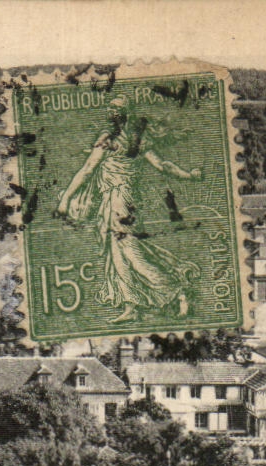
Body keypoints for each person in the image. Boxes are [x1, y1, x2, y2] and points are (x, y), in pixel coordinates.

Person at [56, 96, 203, 324]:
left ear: (124, 112)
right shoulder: (135, 139)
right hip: (118, 200)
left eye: (115, 107)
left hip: (119, 201)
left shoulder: (112, 139)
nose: (109, 110)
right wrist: (189, 175)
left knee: (131, 253)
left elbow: (87, 170)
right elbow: (162, 165)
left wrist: (65, 198)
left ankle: (177, 290)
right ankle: (132, 305)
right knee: (118, 255)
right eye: (109, 107)